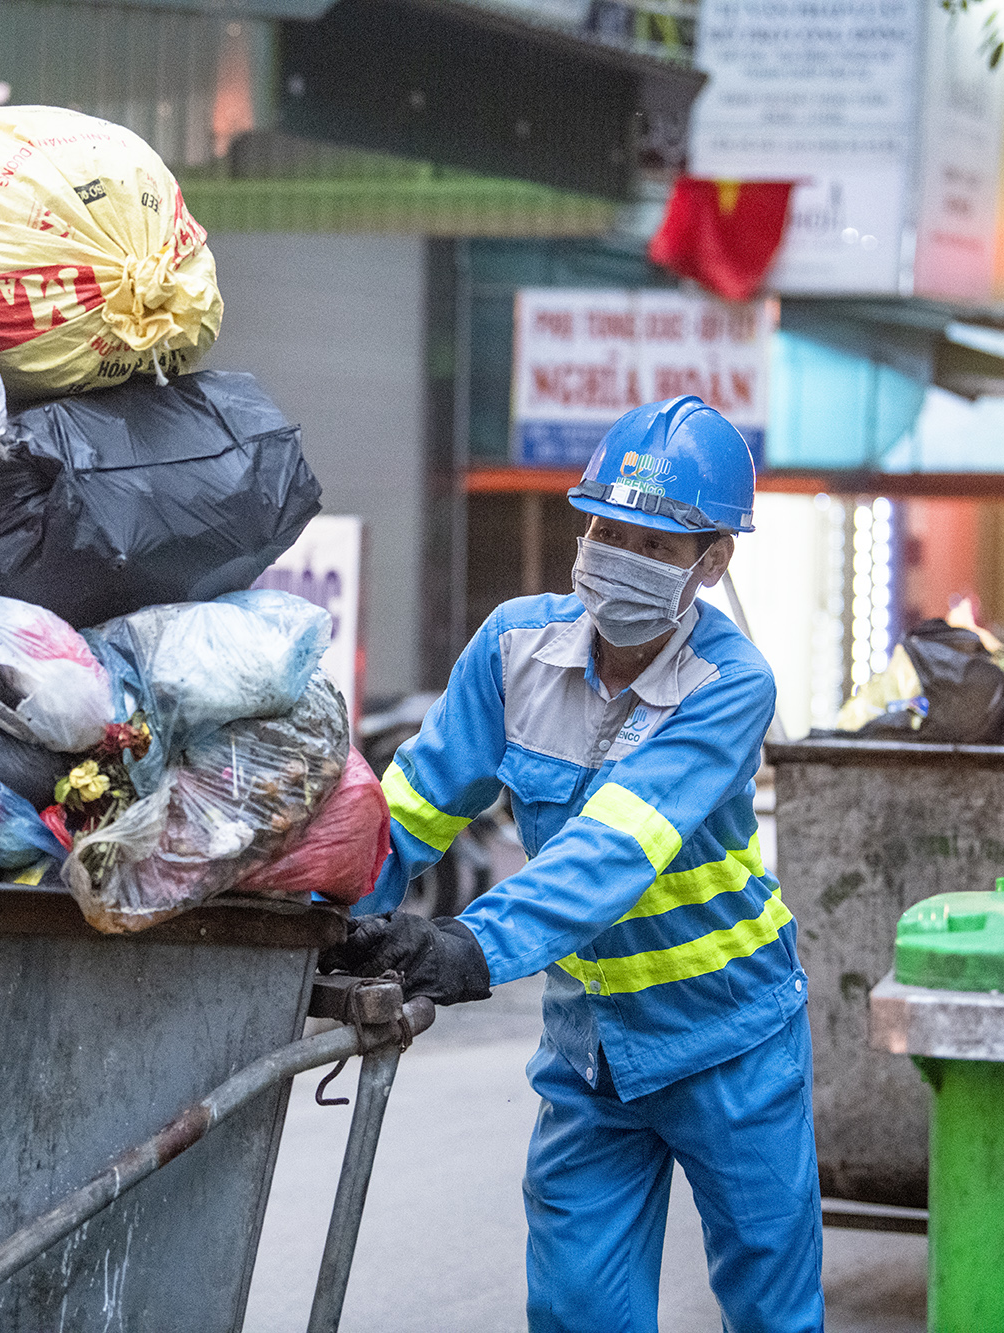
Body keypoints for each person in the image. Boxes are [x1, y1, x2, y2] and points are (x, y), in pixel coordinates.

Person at [323, 395, 822, 1332]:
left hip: (731, 1040)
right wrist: (319, 916)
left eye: (655, 545)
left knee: (771, 1311)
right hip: (593, 1051)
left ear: (713, 564)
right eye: (603, 527)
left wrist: (469, 946)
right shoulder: (514, 646)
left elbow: (614, 850)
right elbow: (409, 810)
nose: (615, 555)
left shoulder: (730, 684)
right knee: (578, 1310)